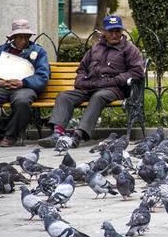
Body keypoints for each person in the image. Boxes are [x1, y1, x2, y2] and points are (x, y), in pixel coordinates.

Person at [38, 15, 144, 149]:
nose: (114, 34)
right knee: (64, 96)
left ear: (122, 31)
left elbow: (137, 72)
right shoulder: (95, 48)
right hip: (90, 86)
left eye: (117, 31)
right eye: (110, 31)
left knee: (98, 96)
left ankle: (78, 134)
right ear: (104, 32)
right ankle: (57, 133)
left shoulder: (130, 49)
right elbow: (82, 68)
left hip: (114, 88)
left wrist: (115, 80)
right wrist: (81, 80)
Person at [0, 19, 50, 147]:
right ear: (13, 38)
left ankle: (10, 136)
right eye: (20, 37)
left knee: (22, 101)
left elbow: (43, 76)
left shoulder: (38, 52)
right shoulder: (2, 51)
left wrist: (23, 83)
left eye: (26, 37)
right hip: (2, 86)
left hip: (25, 87)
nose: (24, 40)